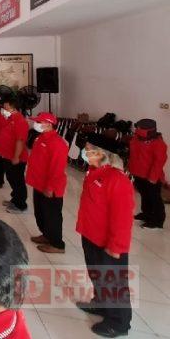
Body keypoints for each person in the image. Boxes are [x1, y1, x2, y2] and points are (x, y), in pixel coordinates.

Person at [76, 134, 133, 337]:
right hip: (91, 235)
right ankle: (101, 303)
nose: (85, 152)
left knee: (113, 281)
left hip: (109, 243)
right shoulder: (93, 172)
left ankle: (119, 323)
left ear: (103, 154)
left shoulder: (117, 180)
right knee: (96, 274)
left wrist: (116, 246)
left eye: (89, 150)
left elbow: (123, 218)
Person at [25, 112, 68, 254]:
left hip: (51, 187)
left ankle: (57, 244)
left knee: (52, 215)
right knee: (40, 213)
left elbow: (57, 168)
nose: (36, 124)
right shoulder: (40, 138)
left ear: (49, 124)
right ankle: (46, 235)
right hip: (39, 183)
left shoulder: (57, 143)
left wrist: (50, 187)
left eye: (39, 122)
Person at [128, 118, 167, 229]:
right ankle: (147, 214)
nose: (136, 129)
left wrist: (153, 177)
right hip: (138, 173)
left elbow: (159, 162)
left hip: (152, 176)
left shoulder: (159, 144)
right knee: (144, 195)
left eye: (139, 128)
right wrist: (130, 169)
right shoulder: (136, 138)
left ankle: (158, 220)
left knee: (154, 198)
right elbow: (133, 155)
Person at [0, 96, 29, 213]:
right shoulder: (10, 118)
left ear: (12, 106)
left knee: (17, 180)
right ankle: (15, 199)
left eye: (5, 106)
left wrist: (16, 156)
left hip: (16, 157)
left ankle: (21, 205)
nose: (3, 108)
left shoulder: (20, 121)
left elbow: (20, 140)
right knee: (11, 178)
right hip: (7, 155)